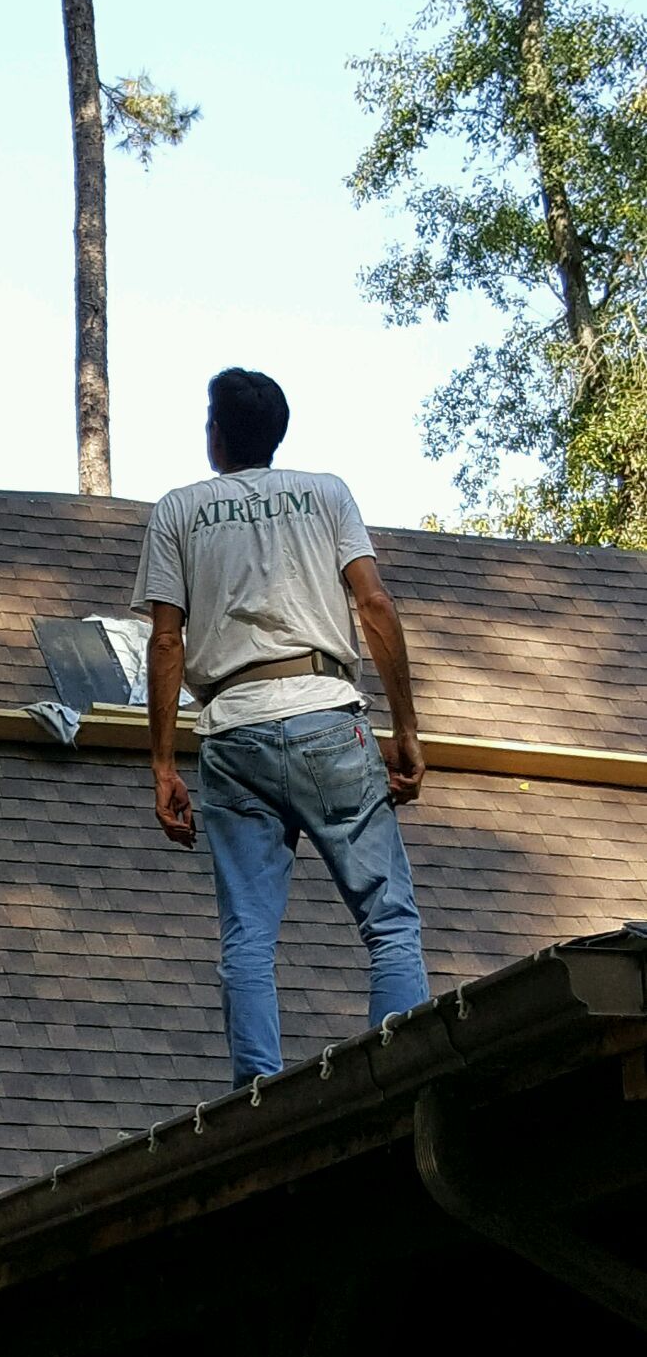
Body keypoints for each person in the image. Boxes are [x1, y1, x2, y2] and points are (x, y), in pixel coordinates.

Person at [134, 365, 430, 1086]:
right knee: (388, 924)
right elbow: (376, 606)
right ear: (277, 433)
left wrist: (163, 766)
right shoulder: (326, 494)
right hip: (328, 718)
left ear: (214, 436)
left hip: (234, 733)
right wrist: (405, 728)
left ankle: (254, 1095)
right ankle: (404, 1077)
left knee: (248, 938)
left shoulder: (177, 510)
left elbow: (166, 641)